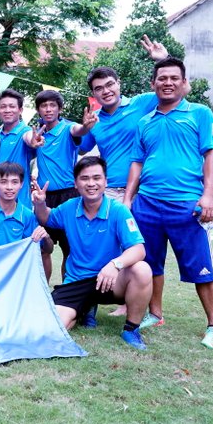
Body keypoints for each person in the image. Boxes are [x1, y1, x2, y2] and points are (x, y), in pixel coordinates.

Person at [123, 57, 213, 349]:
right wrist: (128, 199)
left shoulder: (200, 113)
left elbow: (212, 153)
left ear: (184, 82)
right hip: (147, 204)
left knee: (201, 267)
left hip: (187, 204)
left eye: (174, 78)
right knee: (149, 262)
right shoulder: (144, 122)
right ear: (153, 84)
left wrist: (208, 195)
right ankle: (155, 314)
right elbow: (137, 162)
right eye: (162, 78)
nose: (168, 83)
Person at [81, 35, 165, 317]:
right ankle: (104, 298)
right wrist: (83, 128)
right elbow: (80, 147)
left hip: (142, 190)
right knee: (107, 246)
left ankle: (138, 305)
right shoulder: (95, 120)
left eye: (109, 84)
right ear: (94, 94)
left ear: (118, 84)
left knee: (140, 246)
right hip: (108, 191)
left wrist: (162, 60)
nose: (105, 91)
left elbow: (171, 88)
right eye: (98, 88)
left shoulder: (141, 104)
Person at [32, 156, 152, 350]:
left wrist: (115, 265)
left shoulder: (118, 211)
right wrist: (39, 203)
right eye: (85, 178)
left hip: (109, 280)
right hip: (76, 281)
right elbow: (47, 218)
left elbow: (138, 249)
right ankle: (83, 309)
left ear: (105, 181)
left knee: (142, 269)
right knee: (52, 329)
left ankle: (131, 329)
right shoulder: (69, 207)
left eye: (97, 178)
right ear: (75, 183)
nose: (91, 183)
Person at [34, 90, 98, 281]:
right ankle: (42, 292)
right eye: (44, 106)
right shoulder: (38, 133)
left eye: (52, 105)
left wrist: (85, 127)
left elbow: (79, 131)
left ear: (59, 109)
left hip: (69, 195)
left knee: (69, 250)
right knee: (42, 247)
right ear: (38, 110)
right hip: (44, 198)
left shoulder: (68, 128)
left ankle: (67, 291)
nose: (48, 109)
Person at [0, 88, 44, 208]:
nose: (7, 110)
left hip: (19, 203)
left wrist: (33, 140)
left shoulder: (24, 131)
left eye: (12, 106)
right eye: (3, 107)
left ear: (20, 110)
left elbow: (29, 137)